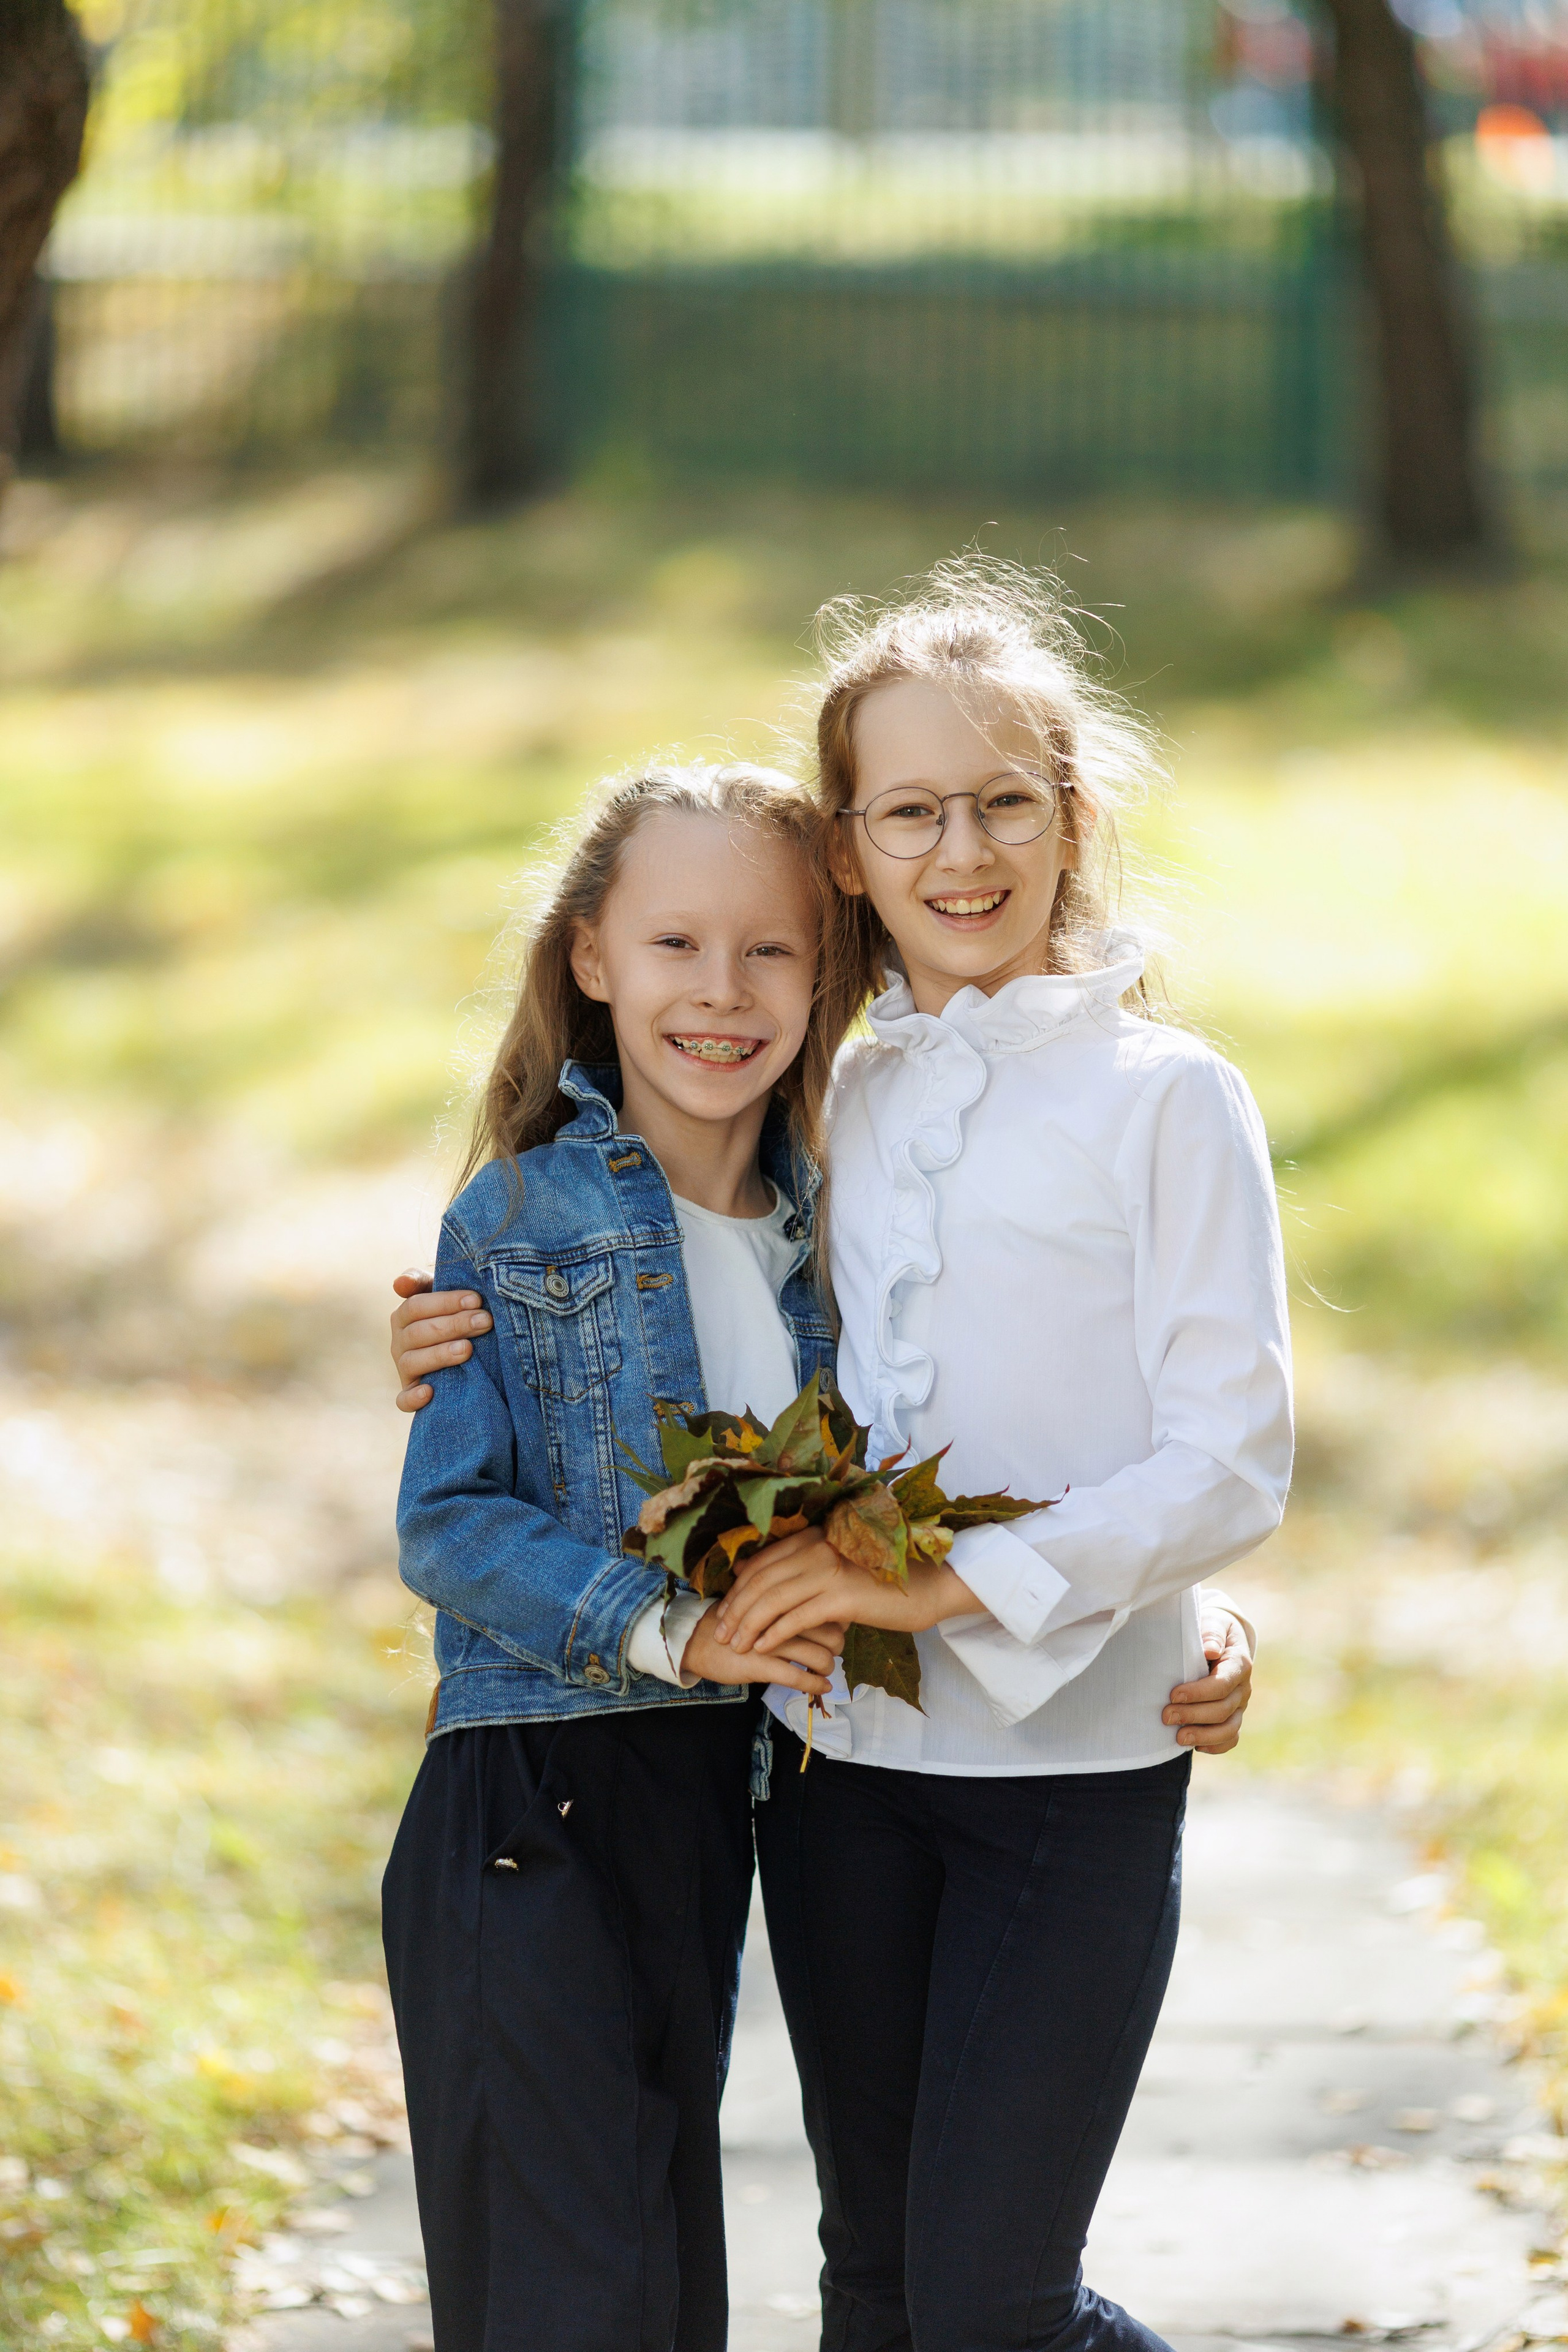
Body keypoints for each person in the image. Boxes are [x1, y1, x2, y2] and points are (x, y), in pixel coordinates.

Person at [388, 562, 1280, 2352]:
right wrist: (451, 1327)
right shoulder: (838, 1104)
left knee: (988, 2307)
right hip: (840, 1768)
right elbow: (690, 1343)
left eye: (1007, 799)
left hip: (1077, 1769)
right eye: (913, 811)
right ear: (855, 854)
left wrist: (1175, 1607)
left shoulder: (1168, 1096)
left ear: (1072, 815)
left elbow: (1228, 1449)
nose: (966, 849)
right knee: (868, 2290)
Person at [384, 762, 866, 2352]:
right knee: (562, 2305)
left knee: (664, 2295)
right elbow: (447, 1524)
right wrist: (675, 1632)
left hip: (702, 1812)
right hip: (532, 1800)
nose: (721, 993)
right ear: (591, 958)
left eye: (771, 950)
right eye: (675, 946)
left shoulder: (838, 1237)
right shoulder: (517, 1221)